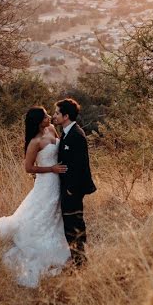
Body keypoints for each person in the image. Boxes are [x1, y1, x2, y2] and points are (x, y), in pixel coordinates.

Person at [0, 106, 70, 287]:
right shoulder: (34, 142)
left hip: (58, 180)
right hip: (46, 182)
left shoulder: (51, 129)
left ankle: (58, 248)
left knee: (54, 215)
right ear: (38, 121)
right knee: (40, 214)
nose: (49, 116)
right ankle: (36, 250)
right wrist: (51, 168)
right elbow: (28, 168)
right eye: (45, 116)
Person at [52, 98, 96, 267]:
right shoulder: (66, 132)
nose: (54, 116)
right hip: (67, 188)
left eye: (57, 113)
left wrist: (71, 189)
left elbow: (80, 165)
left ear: (66, 115)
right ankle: (77, 259)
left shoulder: (77, 135)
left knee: (74, 224)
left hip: (73, 189)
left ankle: (80, 261)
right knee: (70, 224)